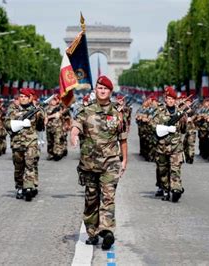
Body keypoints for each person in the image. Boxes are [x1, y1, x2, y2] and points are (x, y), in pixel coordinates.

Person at [70, 75, 128, 250]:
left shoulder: (117, 114)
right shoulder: (85, 110)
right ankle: (92, 233)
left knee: (108, 198)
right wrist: (73, 133)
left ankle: (107, 230)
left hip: (110, 163)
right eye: (99, 88)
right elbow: (77, 124)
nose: (102, 91)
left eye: (105, 89)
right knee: (91, 199)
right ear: (95, 90)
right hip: (89, 163)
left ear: (110, 91)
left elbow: (123, 139)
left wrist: (124, 159)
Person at [5, 88, 45, 201]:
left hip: (31, 142)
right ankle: (19, 187)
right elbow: (7, 123)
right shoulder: (13, 110)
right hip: (17, 142)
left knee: (30, 164)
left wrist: (41, 115)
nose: (23, 99)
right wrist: (20, 123)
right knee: (18, 167)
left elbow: (40, 127)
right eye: (21, 97)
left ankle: (28, 187)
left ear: (29, 98)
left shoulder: (35, 110)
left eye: (25, 97)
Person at [152, 86, 187, 202]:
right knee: (163, 170)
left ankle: (176, 189)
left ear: (175, 100)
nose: (170, 101)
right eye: (168, 98)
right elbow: (153, 126)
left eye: (172, 98)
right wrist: (166, 129)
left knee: (175, 169)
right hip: (162, 146)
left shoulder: (180, 113)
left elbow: (183, 130)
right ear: (165, 99)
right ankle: (166, 189)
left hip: (176, 147)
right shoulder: (159, 111)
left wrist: (183, 122)